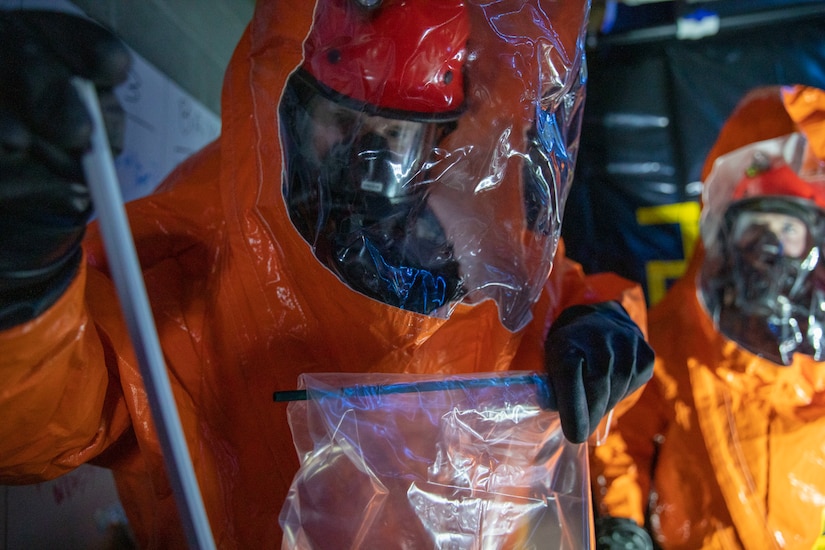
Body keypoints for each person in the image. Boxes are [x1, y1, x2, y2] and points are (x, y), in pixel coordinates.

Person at [0, 1, 654, 547]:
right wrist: (22, 284)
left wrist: (600, 320)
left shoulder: (481, 237)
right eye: (341, 123)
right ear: (288, 101)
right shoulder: (192, 246)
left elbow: (560, 297)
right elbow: (42, 427)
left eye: (402, 135)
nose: (372, 164)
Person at [590, 85, 825, 550]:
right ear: (726, 232)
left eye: (786, 227)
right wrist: (623, 523)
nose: (770, 245)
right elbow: (621, 437)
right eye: (756, 225)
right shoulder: (674, 334)